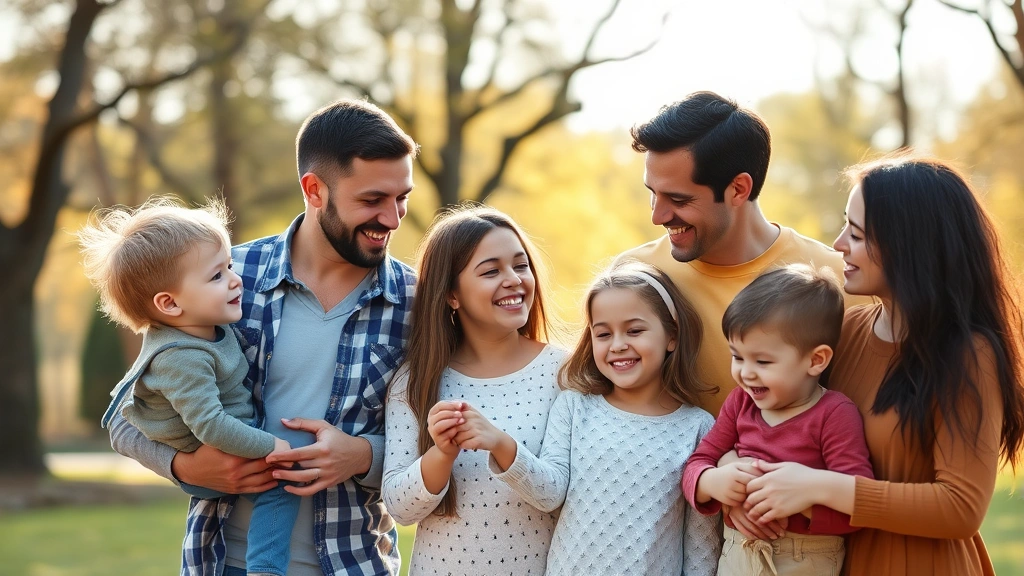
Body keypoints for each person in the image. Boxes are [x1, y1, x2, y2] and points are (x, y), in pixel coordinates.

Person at [107, 99, 419, 576]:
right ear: (314, 190)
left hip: (354, 562)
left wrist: (362, 455)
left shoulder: (418, 302)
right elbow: (125, 417)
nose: (393, 219)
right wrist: (186, 468)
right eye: (372, 200)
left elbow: (436, 445)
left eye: (402, 198)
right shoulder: (224, 280)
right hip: (224, 561)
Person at [742, 155, 1024, 576]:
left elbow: (961, 507)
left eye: (855, 234)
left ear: (909, 246)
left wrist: (821, 487)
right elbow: (784, 418)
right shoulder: (849, 329)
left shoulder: (967, 353)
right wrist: (738, 477)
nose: (839, 244)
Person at [457, 260, 721, 576]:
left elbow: (701, 550)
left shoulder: (697, 428)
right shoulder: (574, 407)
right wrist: (500, 443)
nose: (619, 345)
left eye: (635, 330)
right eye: (603, 334)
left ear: (672, 336)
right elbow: (549, 493)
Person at [79, 197, 300, 576]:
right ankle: (266, 568)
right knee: (281, 487)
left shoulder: (205, 325)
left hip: (222, 446)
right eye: (217, 276)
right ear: (169, 303)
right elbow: (210, 426)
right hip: (211, 455)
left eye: (229, 266)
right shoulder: (181, 356)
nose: (236, 279)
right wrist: (273, 446)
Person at [620, 91, 864, 419]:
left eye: (678, 200)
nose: (658, 216)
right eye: (653, 194)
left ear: (738, 189)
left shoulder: (841, 283)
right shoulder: (634, 278)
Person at [381, 205, 563, 575]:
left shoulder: (565, 373)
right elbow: (400, 509)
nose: (514, 279)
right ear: (451, 295)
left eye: (521, 264)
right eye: (491, 271)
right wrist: (442, 453)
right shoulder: (415, 381)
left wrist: (500, 443)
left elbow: (558, 496)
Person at [682, 264, 874, 575]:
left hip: (804, 558)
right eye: (737, 356)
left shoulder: (835, 414)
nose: (746, 372)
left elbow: (857, 506)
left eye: (762, 361)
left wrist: (802, 501)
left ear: (815, 360)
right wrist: (714, 482)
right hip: (738, 552)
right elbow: (697, 464)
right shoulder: (741, 402)